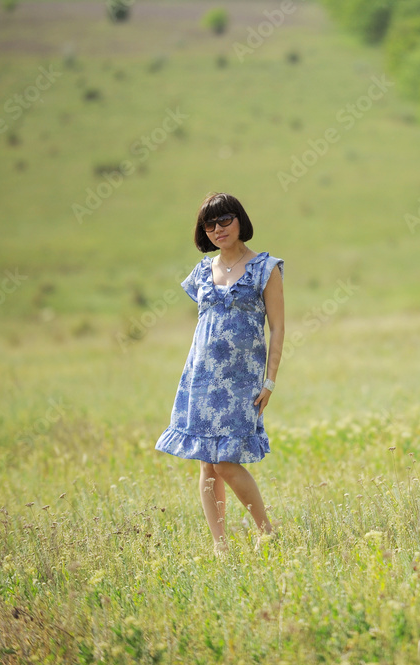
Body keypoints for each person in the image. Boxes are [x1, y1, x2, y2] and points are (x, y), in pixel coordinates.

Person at [154, 192, 284, 555]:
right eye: (209, 224)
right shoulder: (201, 273)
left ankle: (267, 532)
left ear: (240, 220)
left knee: (227, 462)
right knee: (207, 464)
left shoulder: (265, 268)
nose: (217, 229)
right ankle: (221, 547)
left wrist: (270, 381)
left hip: (242, 382)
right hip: (200, 380)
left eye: (225, 220)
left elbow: (277, 329)